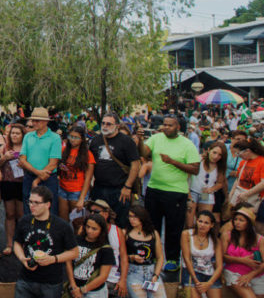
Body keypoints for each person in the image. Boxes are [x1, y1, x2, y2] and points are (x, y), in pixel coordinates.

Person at [140, 114, 200, 271]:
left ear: (178, 127)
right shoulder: (155, 138)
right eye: (164, 124)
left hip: (175, 192)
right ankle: (152, 254)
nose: (165, 127)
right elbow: (144, 153)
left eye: (170, 125)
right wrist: (140, 140)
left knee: (173, 227)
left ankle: (172, 259)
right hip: (154, 189)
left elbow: (195, 169)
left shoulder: (187, 144)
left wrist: (172, 162)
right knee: (152, 225)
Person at [12, 185, 78, 298]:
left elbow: (74, 252)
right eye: (30, 202)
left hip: (51, 283)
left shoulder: (62, 226)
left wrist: (53, 259)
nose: (32, 206)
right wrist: (22, 258)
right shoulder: (24, 221)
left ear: (48, 204)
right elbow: (17, 243)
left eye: (36, 203)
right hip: (26, 280)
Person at [88, 113, 140, 228]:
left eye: (109, 124)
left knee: (119, 223)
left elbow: (135, 165)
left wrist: (127, 187)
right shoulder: (95, 140)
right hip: (99, 188)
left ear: (117, 125)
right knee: (98, 223)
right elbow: (90, 164)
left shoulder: (126, 141)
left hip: (119, 190)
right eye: (103, 123)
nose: (105, 126)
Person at [83, 200, 128, 298]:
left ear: (106, 214)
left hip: (114, 280)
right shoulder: (86, 230)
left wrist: (123, 279)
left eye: (96, 211)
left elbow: (123, 257)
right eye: (90, 211)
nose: (92, 214)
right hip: (94, 280)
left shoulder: (117, 231)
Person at [124, 205, 170, 298]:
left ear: (142, 217)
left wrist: (156, 275)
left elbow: (160, 257)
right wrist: (131, 257)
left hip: (151, 271)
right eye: (130, 216)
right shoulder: (125, 233)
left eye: (135, 217)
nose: (132, 219)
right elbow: (120, 256)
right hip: (134, 272)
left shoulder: (153, 233)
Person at [66, 213, 115, 298]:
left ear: (101, 230)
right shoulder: (76, 240)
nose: (89, 231)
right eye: (87, 227)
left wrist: (83, 290)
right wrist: (73, 286)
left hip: (94, 291)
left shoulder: (106, 248)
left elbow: (103, 276)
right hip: (74, 287)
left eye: (94, 229)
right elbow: (68, 261)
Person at [18, 108, 62, 215]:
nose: (34, 123)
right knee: (29, 210)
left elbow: (53, 163)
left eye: (37, 120)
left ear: (46, 121)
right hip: (30, 177)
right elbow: (22, 159)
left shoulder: (55, 138)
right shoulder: (28, 136)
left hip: (48, 178)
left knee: (49, 211)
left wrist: (37, 180)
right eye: (33, 120)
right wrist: (38, 173)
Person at [222, 206, 264, 298]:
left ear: (249, 223)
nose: (237, 222)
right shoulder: (227, 235)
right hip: (234, 272)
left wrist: (251, 275)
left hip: (256, 274)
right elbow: (223, 256)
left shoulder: (259, 239)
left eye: (241, 220)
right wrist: (242, 260)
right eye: (236, 219)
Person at [180, 209, 223, 298]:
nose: (202, 225)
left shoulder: (216, 240)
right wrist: (196, 281)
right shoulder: (186, 234)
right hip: (192, 274)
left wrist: (209, 283)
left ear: (212, 225)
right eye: (200, 221)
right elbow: (186, 259)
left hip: (210, 274)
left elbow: (219, 266)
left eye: (206, 223)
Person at [58, 126, 94, 221]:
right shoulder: (63, 150)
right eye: (71, 136)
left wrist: (82, 199)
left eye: (76, 137)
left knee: (77, 222)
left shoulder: (88, 155)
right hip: (62, 189)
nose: (72, 140)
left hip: (77, 192)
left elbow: (88, 178)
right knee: (63, 220)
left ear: (82, 139)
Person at [0, 123, 25, 255]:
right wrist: (4, 158)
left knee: (21, 215)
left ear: (23, 135)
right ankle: (9, 243)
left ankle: (21, 243)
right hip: (7, 183)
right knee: (9, 214)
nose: (14, 135)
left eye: (17, 133)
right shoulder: (4, 148)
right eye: (12, 133)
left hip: (22, 183)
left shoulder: (27, 148)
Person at [187, 143, 226, 227]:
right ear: (209, 150)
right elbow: (187, 177)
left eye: (220, 155)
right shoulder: (199, 160)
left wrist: (211, 189)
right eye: (214, 152)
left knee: (204, 219)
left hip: (205, 193)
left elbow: (220, 183)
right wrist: (188, 195)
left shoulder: (220, 166)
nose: (216, 156)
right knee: (189, 222)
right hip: (192, 191)